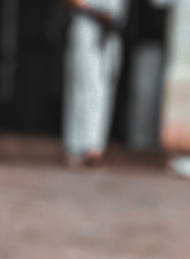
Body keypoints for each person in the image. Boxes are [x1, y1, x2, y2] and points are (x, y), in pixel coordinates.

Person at [62, 0, 131, 165]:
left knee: (103, 90)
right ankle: (76, 146)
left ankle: (95, 145)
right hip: (86, 28)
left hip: (110, 34)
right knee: (83, 87)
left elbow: (117, 15)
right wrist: (92, 10)